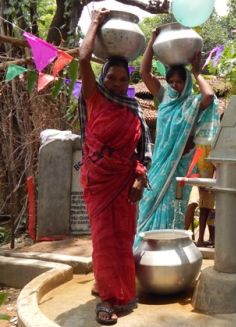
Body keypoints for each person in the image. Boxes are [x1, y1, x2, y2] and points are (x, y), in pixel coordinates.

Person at [78, 8, 151, 325]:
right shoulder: (94, 96)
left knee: (122, 238)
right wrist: (95, 22)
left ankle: (118, 289)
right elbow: (82, 59)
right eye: (112, 77)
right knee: (103, 239)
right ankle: (108, 298)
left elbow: (142, 149)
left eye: (123, 79)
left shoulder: (133, 108)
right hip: (98, 181)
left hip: (124, 182)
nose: (118, 83)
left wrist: (139, 177)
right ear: (103, 77)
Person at [135, 28, 220, 247]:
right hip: (160, 165)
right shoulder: (163, 97)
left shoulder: (192, 104)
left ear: (186, 83)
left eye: (179, 82)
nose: (174, 85)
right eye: (171, 81)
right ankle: (143, 248)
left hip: (179, 166)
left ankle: (170, 249)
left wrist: (196, 72)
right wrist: (152, 40)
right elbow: (144, 73)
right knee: (147, 205)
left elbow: (209, 96)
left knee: (175, 207)